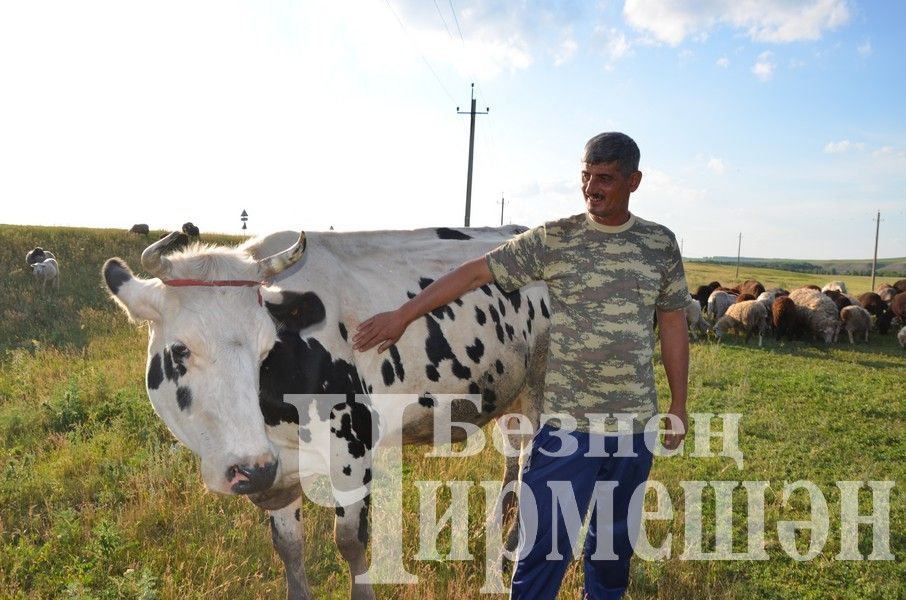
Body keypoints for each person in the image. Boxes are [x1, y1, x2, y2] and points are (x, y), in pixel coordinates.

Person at [353, 132, 689, 600]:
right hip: (566, 428)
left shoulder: (659, 243)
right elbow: (473, 273)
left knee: (612, 555)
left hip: (634, 428)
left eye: (606, 179)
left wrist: (678, 403)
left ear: (634, 181)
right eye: (586, 176)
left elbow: (673, 322)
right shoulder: (556, 238)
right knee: (542, 553)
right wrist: (403, 315)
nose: (592, 188)